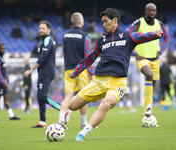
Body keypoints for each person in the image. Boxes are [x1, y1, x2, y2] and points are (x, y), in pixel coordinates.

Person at [68, 8, 163, 141]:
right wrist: (75, 71)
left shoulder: (128, 36)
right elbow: (90, 58)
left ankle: (82, 134)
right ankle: (64, 119)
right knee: (72, 105)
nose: (104, 24)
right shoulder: (102, 40)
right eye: (102, 22)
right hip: (98, 80)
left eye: (106, 21)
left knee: (106, 104)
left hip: (117, 82)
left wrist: (155, 33)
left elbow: (143, 36)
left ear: (115, 21)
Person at [126, 3, 170, 117]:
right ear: (146, 11)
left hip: (155, 59)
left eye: (154, 11)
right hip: (142, 58)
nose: (152, 13)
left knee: (151, 84)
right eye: (150, 11)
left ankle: (147, 112)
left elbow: (167, 38)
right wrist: (135, 53)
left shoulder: (159, 24)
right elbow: (127, 35)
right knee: (149, 75)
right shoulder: (139, 22)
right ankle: (149, 109)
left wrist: (161, 50)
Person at [58, 12, 94, 129]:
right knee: (83, 96)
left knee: (68, 96)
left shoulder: (65, 36)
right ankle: (83, 123)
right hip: (81, 70)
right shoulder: (85, 36)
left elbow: (64, 53)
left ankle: (61, 119)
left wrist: (67, 67)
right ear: (80, 21)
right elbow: (89, 56)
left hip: (68, 69)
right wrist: (91, 73)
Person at [24, 20, 61, 128]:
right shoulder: (45, 40)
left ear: (48, 30)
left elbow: (42, 59)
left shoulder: (48, 40)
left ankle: (63, 109)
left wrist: (30, 69)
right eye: (40, 28)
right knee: (40, 97)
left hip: (46, 72)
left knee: (42, 96)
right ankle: (42, 121)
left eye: (43, 28)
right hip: (44, 72)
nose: (40, 30)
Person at [0, 43, 20, 121]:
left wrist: (6, 77)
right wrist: (2, 81)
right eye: (2, 48)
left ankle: (11, 115)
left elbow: (3, 70)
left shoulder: (2, 58)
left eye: (4, 48)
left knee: (6, 97)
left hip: (3, 82)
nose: (3, 50)